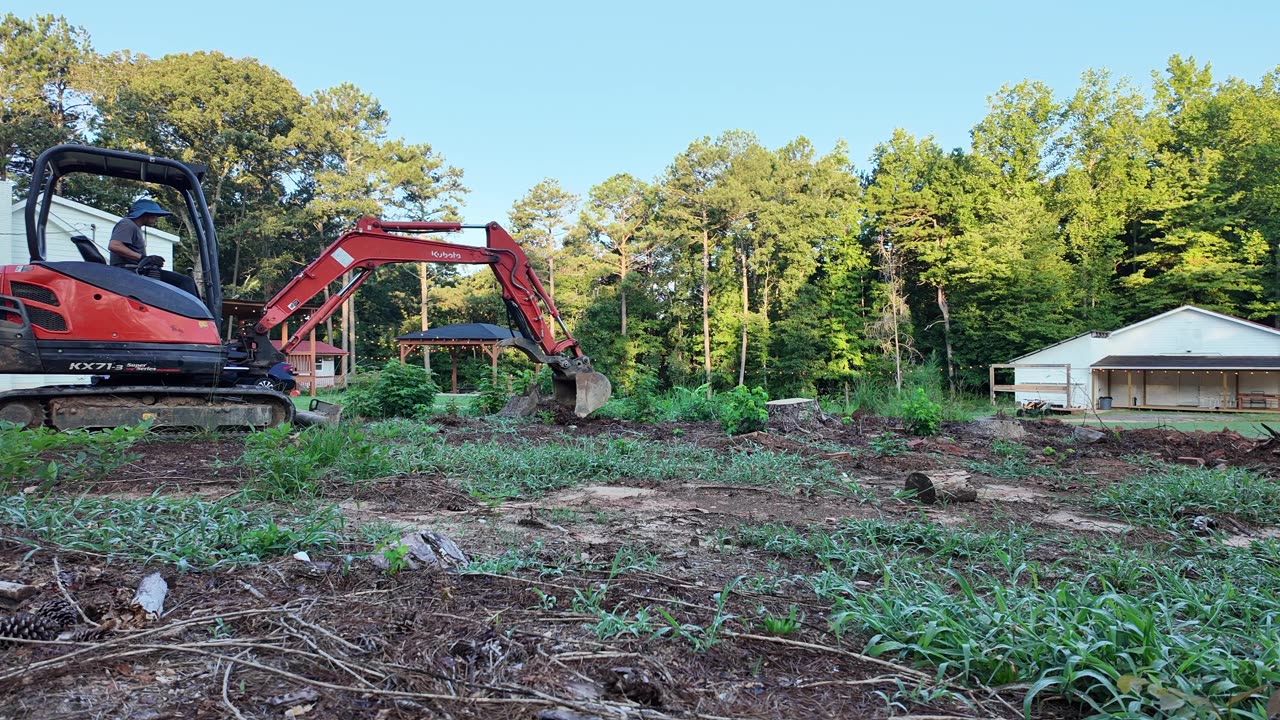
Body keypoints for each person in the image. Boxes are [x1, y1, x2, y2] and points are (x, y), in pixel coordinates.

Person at [108, 198, 200, 296]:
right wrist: (144, 258)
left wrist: (148, 260)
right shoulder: (127, 224)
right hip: (128, 272)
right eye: (155, 215)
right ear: (145, 214)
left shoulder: (134, 227)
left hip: (135, 271)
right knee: (184, 281)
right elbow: (115, 245)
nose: (157, 219)